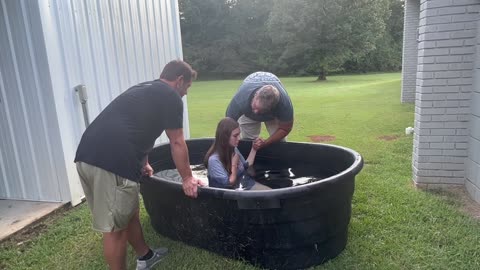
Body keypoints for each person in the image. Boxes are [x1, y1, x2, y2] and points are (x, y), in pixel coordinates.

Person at [74, 60, 202, 270]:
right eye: (187, 86)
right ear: (179, 80)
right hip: (111, 163)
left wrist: (144, 161)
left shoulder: (145, 89)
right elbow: (177, 141)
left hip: (87, 157)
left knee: (128, 212)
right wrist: (187, 178)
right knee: (115, 231)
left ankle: (146, 256)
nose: (186, 93)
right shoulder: (171, 97)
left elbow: (139, 128)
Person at [226, 71, 294, 150]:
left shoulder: (283, 103)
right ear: (255, 95)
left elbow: (285, 128)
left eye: (262, 110)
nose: (256, 112)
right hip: (247, 113)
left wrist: (266, 143)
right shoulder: (240, 99)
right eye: (255, 106)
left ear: (274, 107)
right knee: (249, 142)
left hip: (272, 116)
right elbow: (228, 125)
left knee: (279, 143)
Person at [204, 117, 270, 190]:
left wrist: (254, 149)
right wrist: (234, 165)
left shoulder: (233, 149)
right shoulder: (214, 160)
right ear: (225, 137)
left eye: (239, 134)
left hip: (243, 185)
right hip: (232, 194)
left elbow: (245, 166)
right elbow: (228, 184)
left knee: (270, 193)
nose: (239, 138)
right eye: (235, 136)